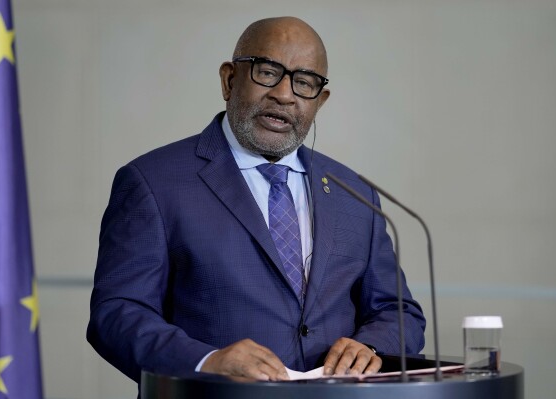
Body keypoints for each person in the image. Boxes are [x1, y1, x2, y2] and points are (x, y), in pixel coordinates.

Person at [87, 16, 426, 386]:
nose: (284, 94)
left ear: (320, 100)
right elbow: (117, 313)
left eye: (305, 82)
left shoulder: (353, 193)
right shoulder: (153, 182)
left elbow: (397, 311)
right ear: (229, 80)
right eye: (268, 72)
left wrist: (372, 347)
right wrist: (208, 361)